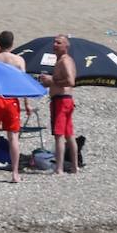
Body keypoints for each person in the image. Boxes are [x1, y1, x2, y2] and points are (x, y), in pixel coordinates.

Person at [0, 32, 31, 184]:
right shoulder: (18, 60)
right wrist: (27, 103)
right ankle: (15, 173)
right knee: (13, 137)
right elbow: (24, 83)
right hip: (11, 99)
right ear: (12, 44)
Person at [39, 34, 80, 174]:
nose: (55, 45)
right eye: (54, 42)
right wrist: (48, 82)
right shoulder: (64, 60)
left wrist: (52, 81)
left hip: (61, 101)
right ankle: (74, 166)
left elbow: (70, 81)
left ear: (66, 46)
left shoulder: (65, 61)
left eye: (58, 43)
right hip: (65, 100)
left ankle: (59, 168)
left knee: (59, 135)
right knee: (69, 134)